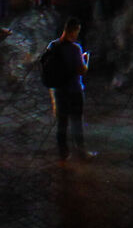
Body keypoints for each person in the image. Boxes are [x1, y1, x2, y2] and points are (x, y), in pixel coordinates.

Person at [40, 20, 94, 159]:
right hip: (74, 90)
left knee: (61, 122)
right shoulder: (75, 49)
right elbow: (82, 70)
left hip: (58, 90)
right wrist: (86, 60)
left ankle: (63, 152)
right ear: (73, 31)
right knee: (76, 121)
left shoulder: (52, 45)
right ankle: (81, 151)